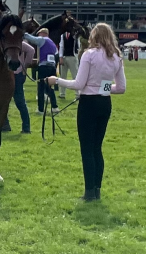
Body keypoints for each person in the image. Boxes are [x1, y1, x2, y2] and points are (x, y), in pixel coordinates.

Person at [47, 23, 126, 201]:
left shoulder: (89, 55)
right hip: (105, 103)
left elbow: (78, 84)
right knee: (97, 148)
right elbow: (121, 88)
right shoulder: (116, 57)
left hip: (88, 104)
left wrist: (56, 80)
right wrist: (102, 88)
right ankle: (96, 189)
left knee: (87, 150)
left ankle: (89, 191)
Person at [24, 28, 60, 115]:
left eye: (39, 34)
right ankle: (55, 107)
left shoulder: (42, 39)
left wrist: (23, 33)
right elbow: (56, 55)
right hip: (52, 67)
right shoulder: (53, 44)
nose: (38, 35)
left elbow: (31, 39)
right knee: (49, 88)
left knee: (40, 88)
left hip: (43, 66)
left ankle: (40, 109)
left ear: (42, 33)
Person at [3, 41, 35, 133]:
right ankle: (7, 125)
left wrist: (26, 65)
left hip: (15, 75)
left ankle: (25, 127)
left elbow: (31, 50)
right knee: (7, 101)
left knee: (19, 101)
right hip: (12, 74)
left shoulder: (18, 43)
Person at [58, 29, 81, 99]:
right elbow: (61, 46)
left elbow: (78, 45)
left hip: (72, 56)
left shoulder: (75, 34)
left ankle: (78, 94)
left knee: (75, 76)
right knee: (62, 76)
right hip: (65, 56)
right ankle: (62, 93)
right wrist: (60, 57)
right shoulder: (63, 35)